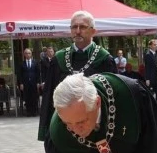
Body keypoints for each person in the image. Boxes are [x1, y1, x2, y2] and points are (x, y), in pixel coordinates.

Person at [38, 11, 116, 140]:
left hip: (94, 130)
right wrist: (46, 131)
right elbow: (48, 96)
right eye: (74, 27)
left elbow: (112, 97)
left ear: (93, 31)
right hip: (63, 128)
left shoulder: (104, 59)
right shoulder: (59, 59)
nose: (78, 31)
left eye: (83, 27)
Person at [19, 48, 40, 116]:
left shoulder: (35, 62)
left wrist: (38, 82)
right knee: (27, 97)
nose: (28, 55)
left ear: (31, 54)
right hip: (26, 83)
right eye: (26, 53)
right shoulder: (22, 63)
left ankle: (34, 111)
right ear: (24, 54)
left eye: (29, 53)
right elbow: (20, 74)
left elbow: (38, 73)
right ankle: (28, 111)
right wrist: (21, 83)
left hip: (34, 83)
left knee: (34, 97)